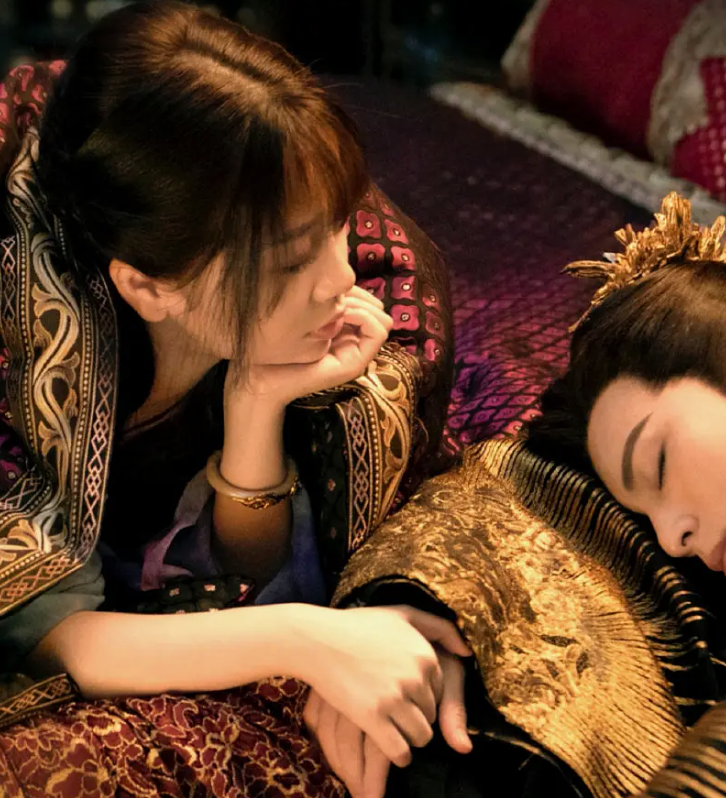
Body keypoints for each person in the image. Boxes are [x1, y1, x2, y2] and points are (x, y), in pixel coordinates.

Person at [333, 185, 726, 797]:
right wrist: (420, 610)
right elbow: (516, 481)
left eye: (659, 464)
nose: (672, 536)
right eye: (647, 510)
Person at [0, 3, 472, 796]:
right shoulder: (24, 343)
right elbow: (48, 636)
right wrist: (304, 640)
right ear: (148, 286)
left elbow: (260, 567)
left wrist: (257, 401)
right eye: (289, 264)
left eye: (339, 225)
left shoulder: (373, 286)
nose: (341, 279)